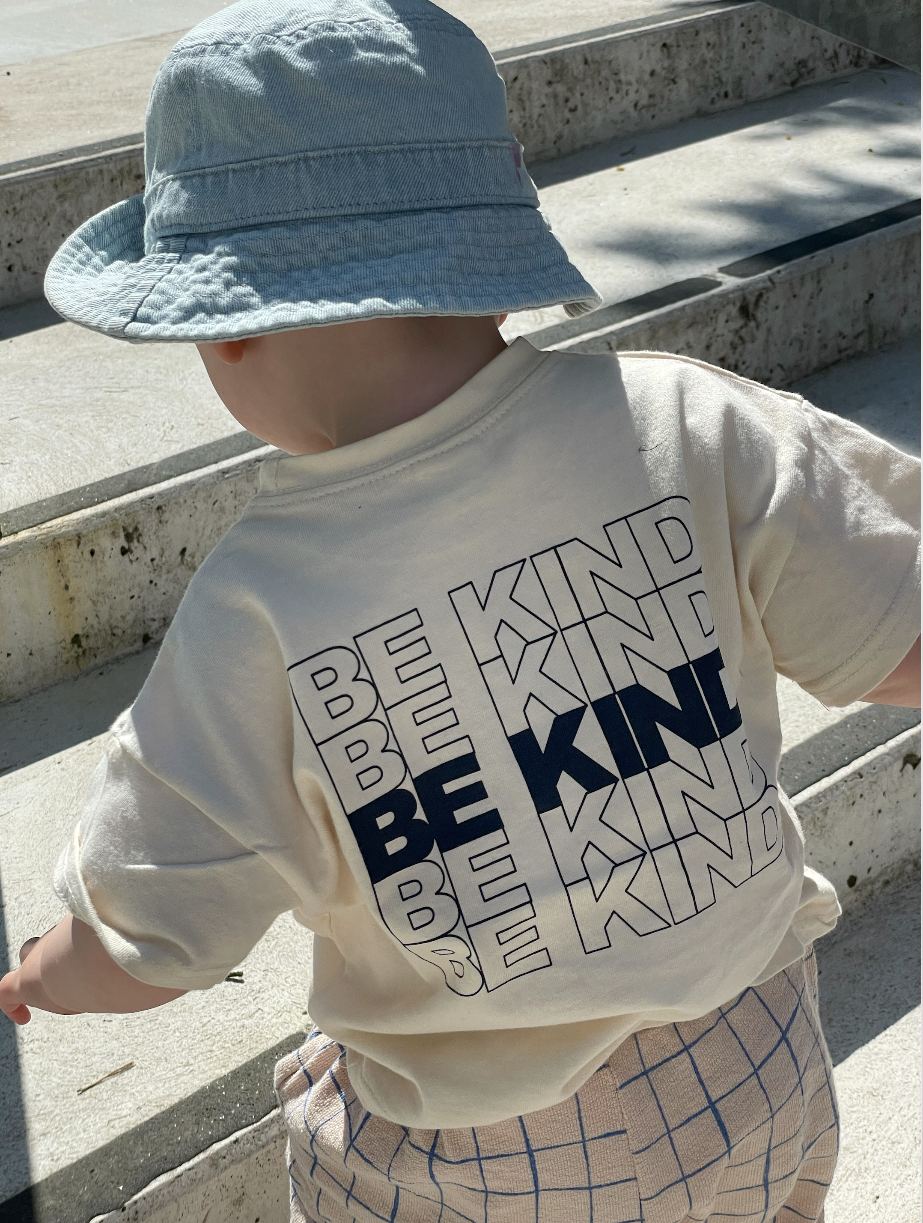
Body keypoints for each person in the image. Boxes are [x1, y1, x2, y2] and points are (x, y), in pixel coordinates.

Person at [2, 1, 919, 1219]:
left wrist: (46, 972)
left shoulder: (255, 607)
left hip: (480, 1153)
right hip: (752, 1055)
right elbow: (897, 641)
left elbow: (148, 933)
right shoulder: (687, 423)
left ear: (227, 333)